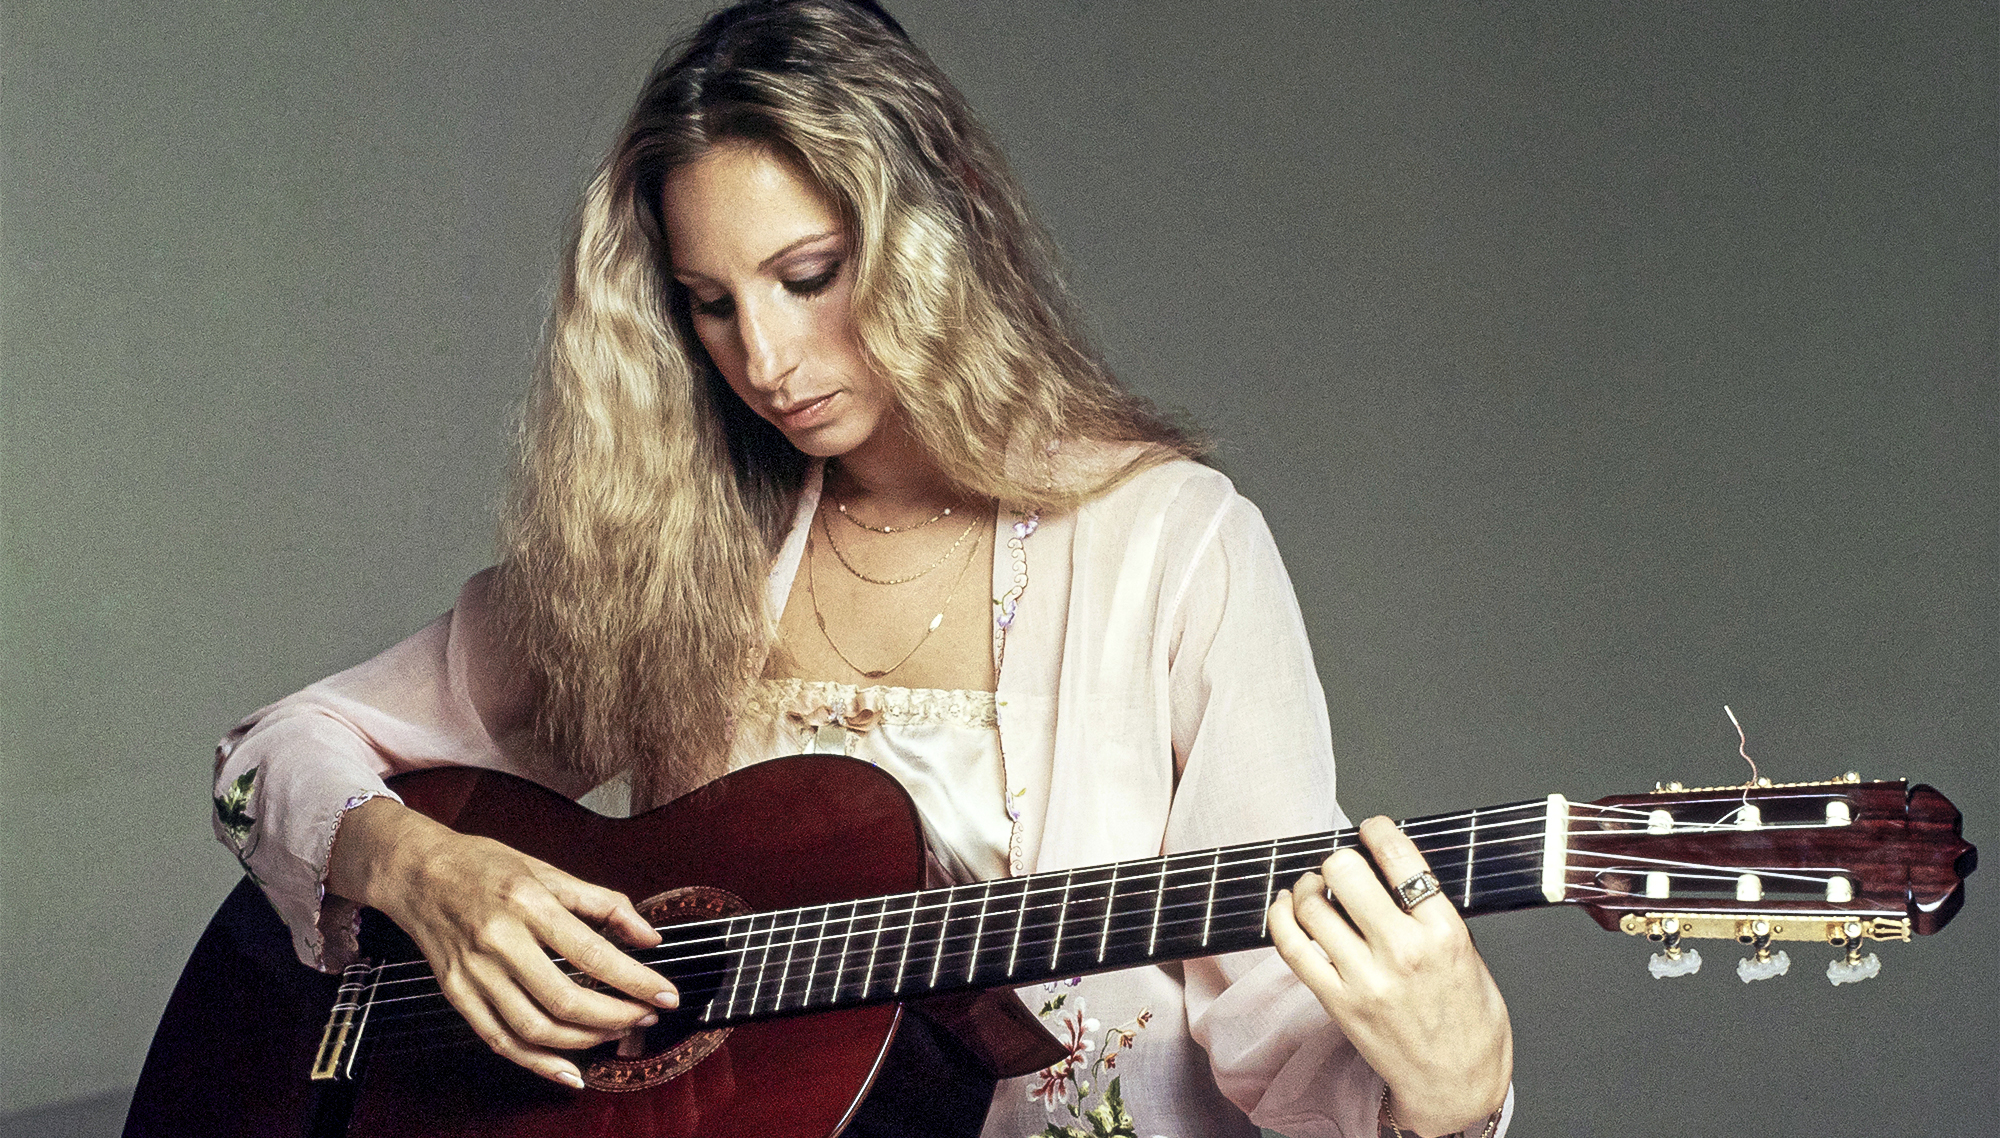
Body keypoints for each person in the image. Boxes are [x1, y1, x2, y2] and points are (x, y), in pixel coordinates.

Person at [210, 2, 1513, 1135]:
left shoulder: (1173, 549)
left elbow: (1277, 1021)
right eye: (711, 301)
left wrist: (1450, 1093)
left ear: (935, 225)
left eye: (807, 274)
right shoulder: (676, 553)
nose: (763, 356)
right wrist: (425, 872)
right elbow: (267, 759)